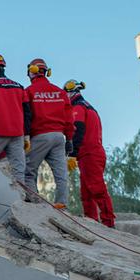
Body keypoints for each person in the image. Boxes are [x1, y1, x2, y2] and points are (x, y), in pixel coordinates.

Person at [23, 58, 74, 208]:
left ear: (32, 72)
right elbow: (69, 119)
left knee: (28, 171)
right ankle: (61, 203)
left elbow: (25, 116)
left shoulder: (29, 92)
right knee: (61, 173)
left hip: (39, 136)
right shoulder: (60, 92)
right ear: (47, 72)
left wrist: (24, 136)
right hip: (59, 137)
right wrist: (69, 139)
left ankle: (35, 203)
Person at [65, 80, 115, 227]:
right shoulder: (89, 107)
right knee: (86, 193)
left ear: (70, 92)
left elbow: (78, 129)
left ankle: (108, 222)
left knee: (97, 189)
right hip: (92, 153)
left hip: (89, 153)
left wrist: (72, 153)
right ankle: (92, 221)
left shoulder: (78, 107)